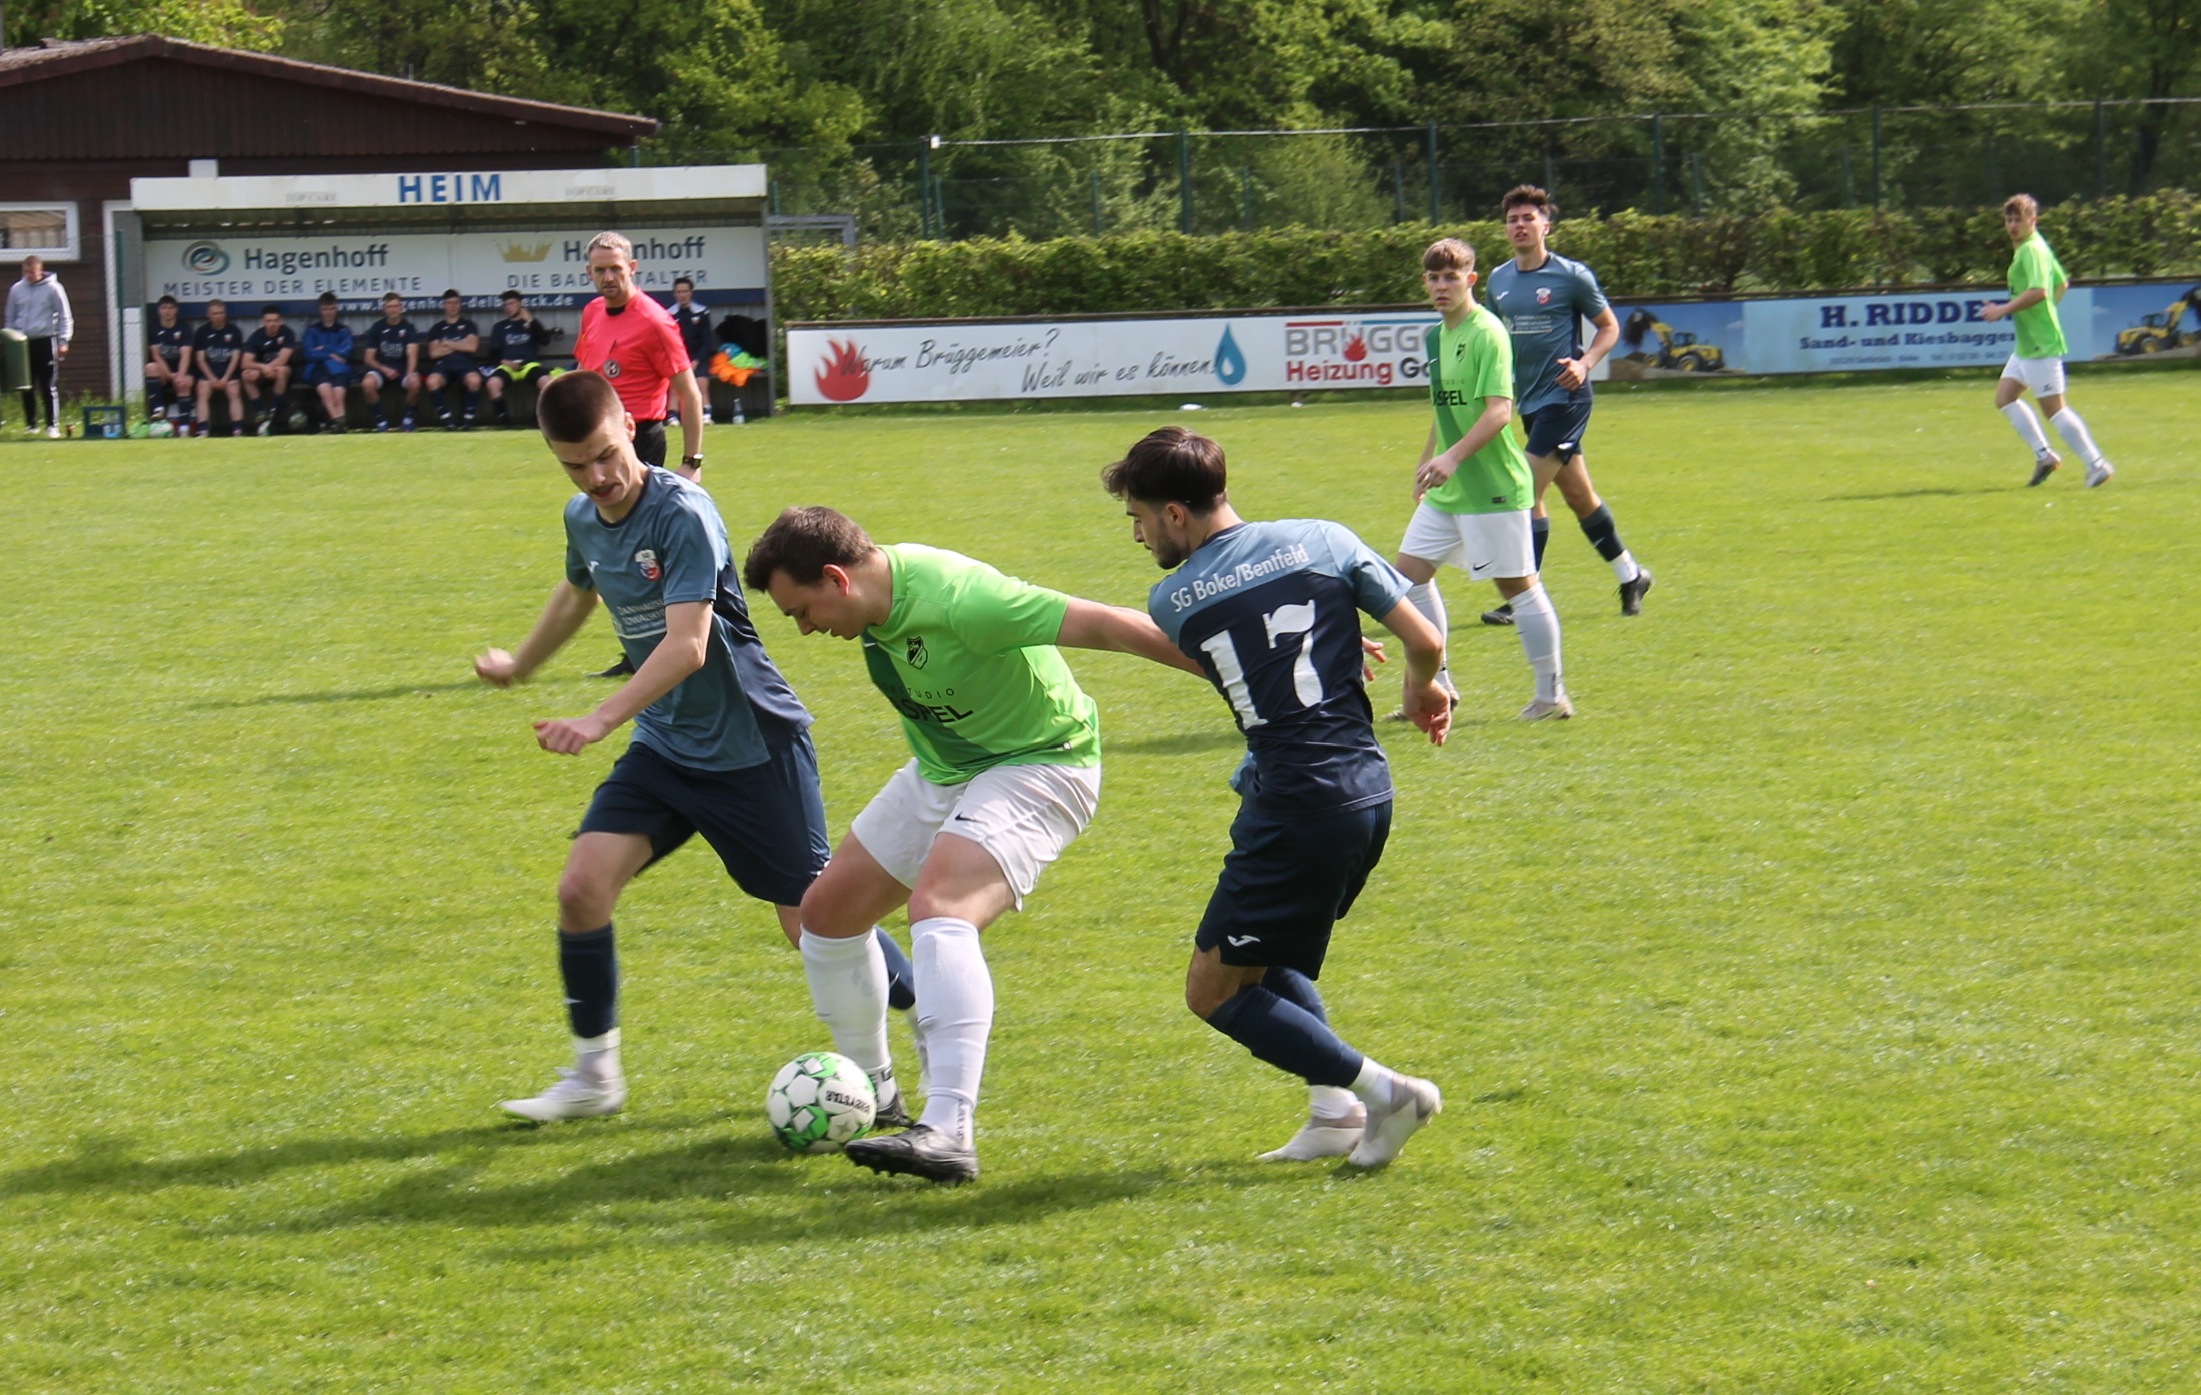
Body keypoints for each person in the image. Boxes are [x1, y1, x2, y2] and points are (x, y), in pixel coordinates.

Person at [472, 371, 916, 1126]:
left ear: (630, 428)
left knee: (815, 920)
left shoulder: (683, 512)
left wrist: (598, 719)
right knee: (581, 887)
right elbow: (579, 588)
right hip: (666, 748)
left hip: (750, 746)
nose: (598, 476)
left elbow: (687, 645)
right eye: (575, 464)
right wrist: (522, 662)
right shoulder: (584, 516)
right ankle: (594, 1074)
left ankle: (922, 1015)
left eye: (607, 454)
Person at [742, 506, 1199, 1183]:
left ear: (836, 578)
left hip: (1043, 760)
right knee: (826, 915)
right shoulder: (876, 602)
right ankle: (875, 1097)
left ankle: (949, 1129)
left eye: (800, 611)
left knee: (941, 909)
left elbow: (1112, 623)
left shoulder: (961, 599)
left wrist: (1249, 679)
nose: (805, 629)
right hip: (947, 768)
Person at [1104, 427, 1449, 1167]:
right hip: (1366, 790)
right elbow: (1425, 638)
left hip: (1296, 805)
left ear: (1173, 513)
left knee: (1213, 988)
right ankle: (1335, 1112)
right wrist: (1421, 685)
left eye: (1136, 517)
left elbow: (1236, 657)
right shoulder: (1323, 538)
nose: (1135, 535)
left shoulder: (1172, 600)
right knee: (1265, 950)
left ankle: (1384, 1091)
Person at [1391, 237, 1571, 721]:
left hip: (1492, 486)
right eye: (1433, 277)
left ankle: (1551, 697)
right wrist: (1428, 462)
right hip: (1450, 489)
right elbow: (1443, 407)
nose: (1441, 286)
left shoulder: (1488, 332)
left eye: (1451, 277)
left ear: (1471, 280)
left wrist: (1450, 458)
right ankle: (1438, 687)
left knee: (1518, 587)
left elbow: (1498, 413)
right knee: (1406, 579)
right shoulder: (1435, 337)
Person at [1478, 185, 1651, 625]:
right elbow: (1493, 338)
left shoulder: (1571, 275)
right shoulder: (1498, 280)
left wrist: (1586, 362)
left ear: (1545, 226)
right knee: (1579, 497)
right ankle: (1631, 575)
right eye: (1513, 219)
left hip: (1567, 398)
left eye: (1528, 218)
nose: (1520, 225)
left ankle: (1522, 599)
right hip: (1531, 401)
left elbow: (1609, 327)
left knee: (1523, 490)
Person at [576, 232, 709, 678]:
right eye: (600, 269)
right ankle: (640, 650)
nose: (608, 277)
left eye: (616, 268)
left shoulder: (654, 321)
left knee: (645, 552)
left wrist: (693, 461)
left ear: (633, 269)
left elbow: (688, 393)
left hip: (641, 442)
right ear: (589, 273)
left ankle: (668, 646)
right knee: (615, 549)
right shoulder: (593, 313)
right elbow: (585, 375)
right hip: (599, 445)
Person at [1981, 193, 2113, 488]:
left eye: (2019, 219)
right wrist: (2044, 313)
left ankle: (2096, 464)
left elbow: (2040, 290)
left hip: (2040, 345)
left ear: (2033, 221)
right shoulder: (2033, 247)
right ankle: (2045, 456)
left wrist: (2003, 310)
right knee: (2005, 398)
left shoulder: (2031, 250)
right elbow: (2061, 284)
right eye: (2009, 219)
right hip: (2028, 344)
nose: (2013, 225)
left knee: (2055, 409)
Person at [6, 255, 71, 438]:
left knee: (47, 384)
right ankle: (31, 424)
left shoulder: (54, 288)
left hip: (45, 339)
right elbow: (10, 316)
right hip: (22, 342)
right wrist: (10, 339)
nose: (28, 276)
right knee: (26, 385)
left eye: (31, 272)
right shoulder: (16, 290)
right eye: (25, 272)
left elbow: (65, 315)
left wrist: (64, 340)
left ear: (40, 270)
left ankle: (52, 425)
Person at [483, 290, 560, 427]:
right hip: (507, 365)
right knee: (492, 384)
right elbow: (493, 353)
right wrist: (504, 361)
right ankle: (505, 421)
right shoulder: (500, 327)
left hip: (529, 365)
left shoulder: (531, 323)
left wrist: (531, 320)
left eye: (511, 303)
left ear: (520, 304)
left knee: (547, 384)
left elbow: (544, 340)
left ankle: (536, 419)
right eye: (506, 305)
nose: (508, 307)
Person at [360, 292, 422, 432]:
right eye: (389, 307)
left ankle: (408, 422)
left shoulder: (408, 327)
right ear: (384, 309)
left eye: (396, 306)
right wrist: (384, 369)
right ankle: (381, 424)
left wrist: (411, 372)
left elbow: (412, 353)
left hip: (402, 369)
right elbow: (368, 358)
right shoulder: (377, 328)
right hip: (382, 369)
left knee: (415, 383)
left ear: (401, 307)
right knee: (367, 384)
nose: (393, 309)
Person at [424, 290, 485, 430]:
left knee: (474, 380)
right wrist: (461, 344)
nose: (453, 306)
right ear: (444, 305)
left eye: (456, 303)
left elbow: (472, 347)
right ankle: (448, 421)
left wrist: (447, 343)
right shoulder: (437, 328)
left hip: (465, 365)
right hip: (443, 366)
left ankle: (467, 422)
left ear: (460, 305)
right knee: (432, 382)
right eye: (449, 303)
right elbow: (434, 353)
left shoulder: (469, 325)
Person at [191, 299, 247, 436]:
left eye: (221, 313)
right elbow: (200, 359)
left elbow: (235, 358)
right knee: (202, 391)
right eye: (215, 313)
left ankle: (237, 429)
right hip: (208, 373)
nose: (218, 316)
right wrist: (212, 379)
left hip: (228, 372)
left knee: (234, 390)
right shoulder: (202, 332)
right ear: (208, 315)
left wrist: (225, 378)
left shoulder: (234, 331)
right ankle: (203, 429)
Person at [300, 292, 354, 433]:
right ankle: (340, 426)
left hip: (339, 369)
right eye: (325, 309)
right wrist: (331, 354)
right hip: (318, 368)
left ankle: (339, 425)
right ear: (320, 310)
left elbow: (346, 351)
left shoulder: (343, 330)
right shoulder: (312, 331)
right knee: (327, 394)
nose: (328, 312)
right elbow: (309, 353)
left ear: (336, 309)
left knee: (338, 396)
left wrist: (324, 348)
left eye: (331, 309)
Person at [240, 305, 299, 433]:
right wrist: (262, 368)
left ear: (280, 321)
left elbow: (283, 359)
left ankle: (274, 410)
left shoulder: (287, 333)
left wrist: (267, 368)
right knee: (246, 375)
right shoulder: (256, 336)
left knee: (281, 370)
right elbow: (245, 362)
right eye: (268, 321)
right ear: (263, 322)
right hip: (263, 373)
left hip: (283, 375)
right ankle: (261, 412)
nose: (272, 324)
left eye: (275, 321)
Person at [144, 294, 196, 431]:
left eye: (171, 308)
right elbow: (156, 355)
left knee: (184, 383)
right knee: (150, 367)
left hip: (182, 369)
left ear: (176, 310)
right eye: (164, 308)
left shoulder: (184, 327)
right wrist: (169, 375)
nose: (167, 311)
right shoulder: (153, 327)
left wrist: (179, 375)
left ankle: (184, 428)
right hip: (163, 370)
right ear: (159, 310)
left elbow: (186, 355)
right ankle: (158, 409)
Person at [669, 276, 715, 426]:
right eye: (679, 292)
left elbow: (707, 342)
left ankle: (706, 414)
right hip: (678, 358)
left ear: (691, 293)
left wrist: (696, 361)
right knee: (675, 387)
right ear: (674, 294)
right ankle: (673, 417)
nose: (682, 295)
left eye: (685, 291)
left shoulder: (702, 312)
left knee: (701, 383)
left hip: (698, 358)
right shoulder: (669, 314)